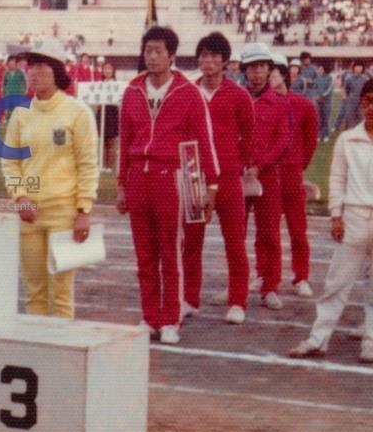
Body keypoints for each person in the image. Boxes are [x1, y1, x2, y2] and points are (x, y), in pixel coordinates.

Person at [289, 77, 373, 363]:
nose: (371, 108)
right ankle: (318, 338)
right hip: (353, 218)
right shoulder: (348, 139)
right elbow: (337, 179)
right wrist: (336, 215)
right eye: (366, 101)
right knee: (336, 283)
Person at [116, 27, 218, 344]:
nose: (152, 56)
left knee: (170, 253)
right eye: (148, 50)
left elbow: (205, 142)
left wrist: (210, 188)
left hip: (171, 178)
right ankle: (150, 317)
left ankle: (170, 319)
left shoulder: (189, 93)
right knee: (144, 254)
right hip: (138, 178)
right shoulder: (132, 91)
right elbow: (125, 141)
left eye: (159, 50)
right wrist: (121, 185)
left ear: (171, 56)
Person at [2, 38, 99, 318]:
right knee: (34, 294)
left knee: (61, 295)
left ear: (56, 70)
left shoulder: (77, 112)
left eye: (41, 65)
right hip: (28, 215)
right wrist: (19, 197)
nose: (33, 71)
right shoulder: (20, 114)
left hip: (64, 215)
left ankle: (62, 357)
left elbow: (87, 164)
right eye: (30, 65)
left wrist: (84, 210)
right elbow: (10, 162)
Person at [184, 32, 254, 324]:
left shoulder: (238, 95)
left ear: (225, 61)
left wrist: (235, 165)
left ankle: (238, 300)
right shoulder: (188, 92)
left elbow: (249, 137)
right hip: (194, 177)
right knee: (191, 242)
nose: (208, 61)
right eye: (203, 56)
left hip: (227, 179)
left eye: (214, 56)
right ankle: (189, 298)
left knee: (234, 242)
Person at [240, 44, 291, 310]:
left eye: (262, 67)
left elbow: (283, 140)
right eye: (252, 67)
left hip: (267, 176)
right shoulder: (237, 98)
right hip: (238, 174)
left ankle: (270, 286)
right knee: (235, 232)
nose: (257, 73)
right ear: (244, 70)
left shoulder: (280, 103)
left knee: (269, 232)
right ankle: (236, 286)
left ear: (269, 70)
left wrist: (260, 165)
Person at [274, 55, 319, 299]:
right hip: (268, 173)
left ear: (282, 75)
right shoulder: (258, 103)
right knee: (267, 229)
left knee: (297, 229)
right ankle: (266, 275)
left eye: (271, 72)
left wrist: (297, 167)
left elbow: (310, 142)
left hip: (291, 173)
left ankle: (301, 276)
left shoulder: (303, 105)